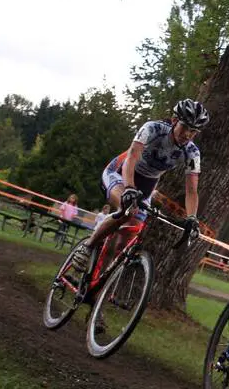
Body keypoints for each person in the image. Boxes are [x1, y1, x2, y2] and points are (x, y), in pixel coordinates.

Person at [72, 99, 209, 272]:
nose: (188, 134)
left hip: (146, 186)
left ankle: (99, 287)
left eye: (193, 131)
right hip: (120, 173)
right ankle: (88, 246)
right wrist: (129, 187)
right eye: (185, 127)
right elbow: (132, 158)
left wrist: (192, 218)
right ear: (174, 121)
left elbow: (191, 190)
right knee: (127, 209)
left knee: (127, 237)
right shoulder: (152, 129)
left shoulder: (192, 152)